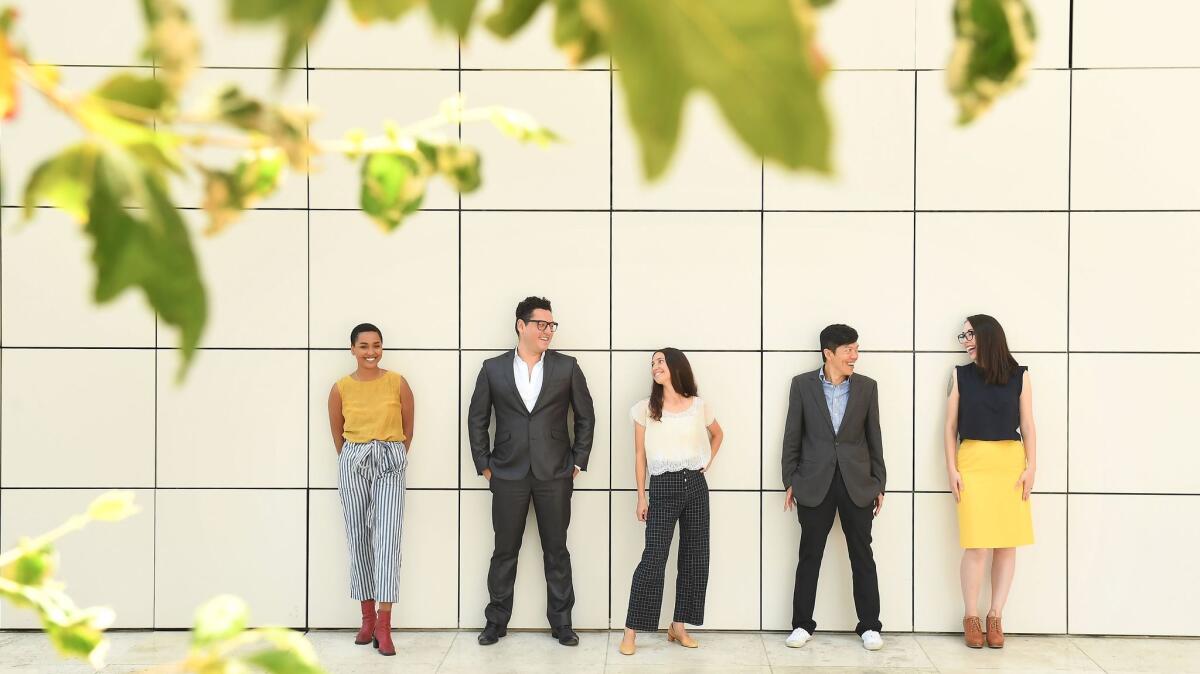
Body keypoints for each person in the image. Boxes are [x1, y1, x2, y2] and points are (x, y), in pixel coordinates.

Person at [468, 296, 596, 647]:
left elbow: (586, 416)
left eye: (551, 325)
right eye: (541, 324)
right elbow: (477, 419)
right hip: (506, 473)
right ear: (521, 325)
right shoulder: (492, 368)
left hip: (555, 473)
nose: (548, 331)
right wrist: (485, 466)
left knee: (557, 550)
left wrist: (577, 461)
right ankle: (495, 622)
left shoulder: (567, 367)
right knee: (504, 550)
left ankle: (562, 623)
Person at [781, 324, 886, 651]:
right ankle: (801, 624)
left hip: (857, 483)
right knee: (809, 554)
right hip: (813, 482)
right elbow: (792, 437)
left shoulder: (867, 388)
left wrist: (879, 482)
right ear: (829, 353)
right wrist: (790, 481)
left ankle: (869, 626)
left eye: (856, 349)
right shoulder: (802, 385)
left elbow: (874, 438)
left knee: (862, 554)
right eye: (848, 350)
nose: (855, 356)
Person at [618, 348, 724, 656]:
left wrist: (707, 462)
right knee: (653, 558)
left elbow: (718, 435)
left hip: (696, 485)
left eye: (660, 361)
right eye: (652, 363)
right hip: (662, 485)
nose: (655, 366)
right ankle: (631, 630)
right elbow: (639, 456)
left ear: (676, 366)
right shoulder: (645, 409)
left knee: (694, 557)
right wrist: (641, 495)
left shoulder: (699, 406)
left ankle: (678, 626)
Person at [944, 314, 1036, 649]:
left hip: (1010, 464)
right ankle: (971, 616)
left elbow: (1028, 424)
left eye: (970, 334)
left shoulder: (1019, 376)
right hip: (972, 462)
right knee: (978, 544)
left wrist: (1031, 467)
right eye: (963, 335)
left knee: (1006, 543)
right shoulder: (961, 375)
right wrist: (952, 468)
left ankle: (995, 615)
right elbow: (950, 426)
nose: (965, 340)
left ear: (987, 336)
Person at [326, 323, 415, 657]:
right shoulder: (340, 388)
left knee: (388, 539)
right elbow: (338, 434)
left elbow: (408, 427)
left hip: (390, 460)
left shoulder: (398, 383)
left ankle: (384, 623)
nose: (371, 352)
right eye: (363, 346)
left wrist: (392, 455)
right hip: (354, 460)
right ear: (352, 349)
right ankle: (366, 618)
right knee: (358, 538)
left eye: (376, 345)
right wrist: (353, 458)